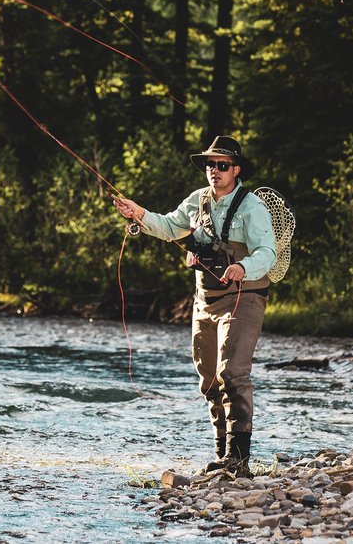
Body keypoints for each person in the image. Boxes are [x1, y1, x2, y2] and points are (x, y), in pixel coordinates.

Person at [113, 135, 276, 474]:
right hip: (206, 298)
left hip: (245, 296)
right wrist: (139, 213)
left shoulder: (252, 207)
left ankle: (239, 459)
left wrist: (243, 267)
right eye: (209, 164)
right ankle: (222, 455)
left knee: (232, 372)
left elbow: (268, 253)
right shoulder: (196, 200)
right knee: (208, 379)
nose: (214, 170)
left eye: (222, 165)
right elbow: (170, 227)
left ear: (236, 170)